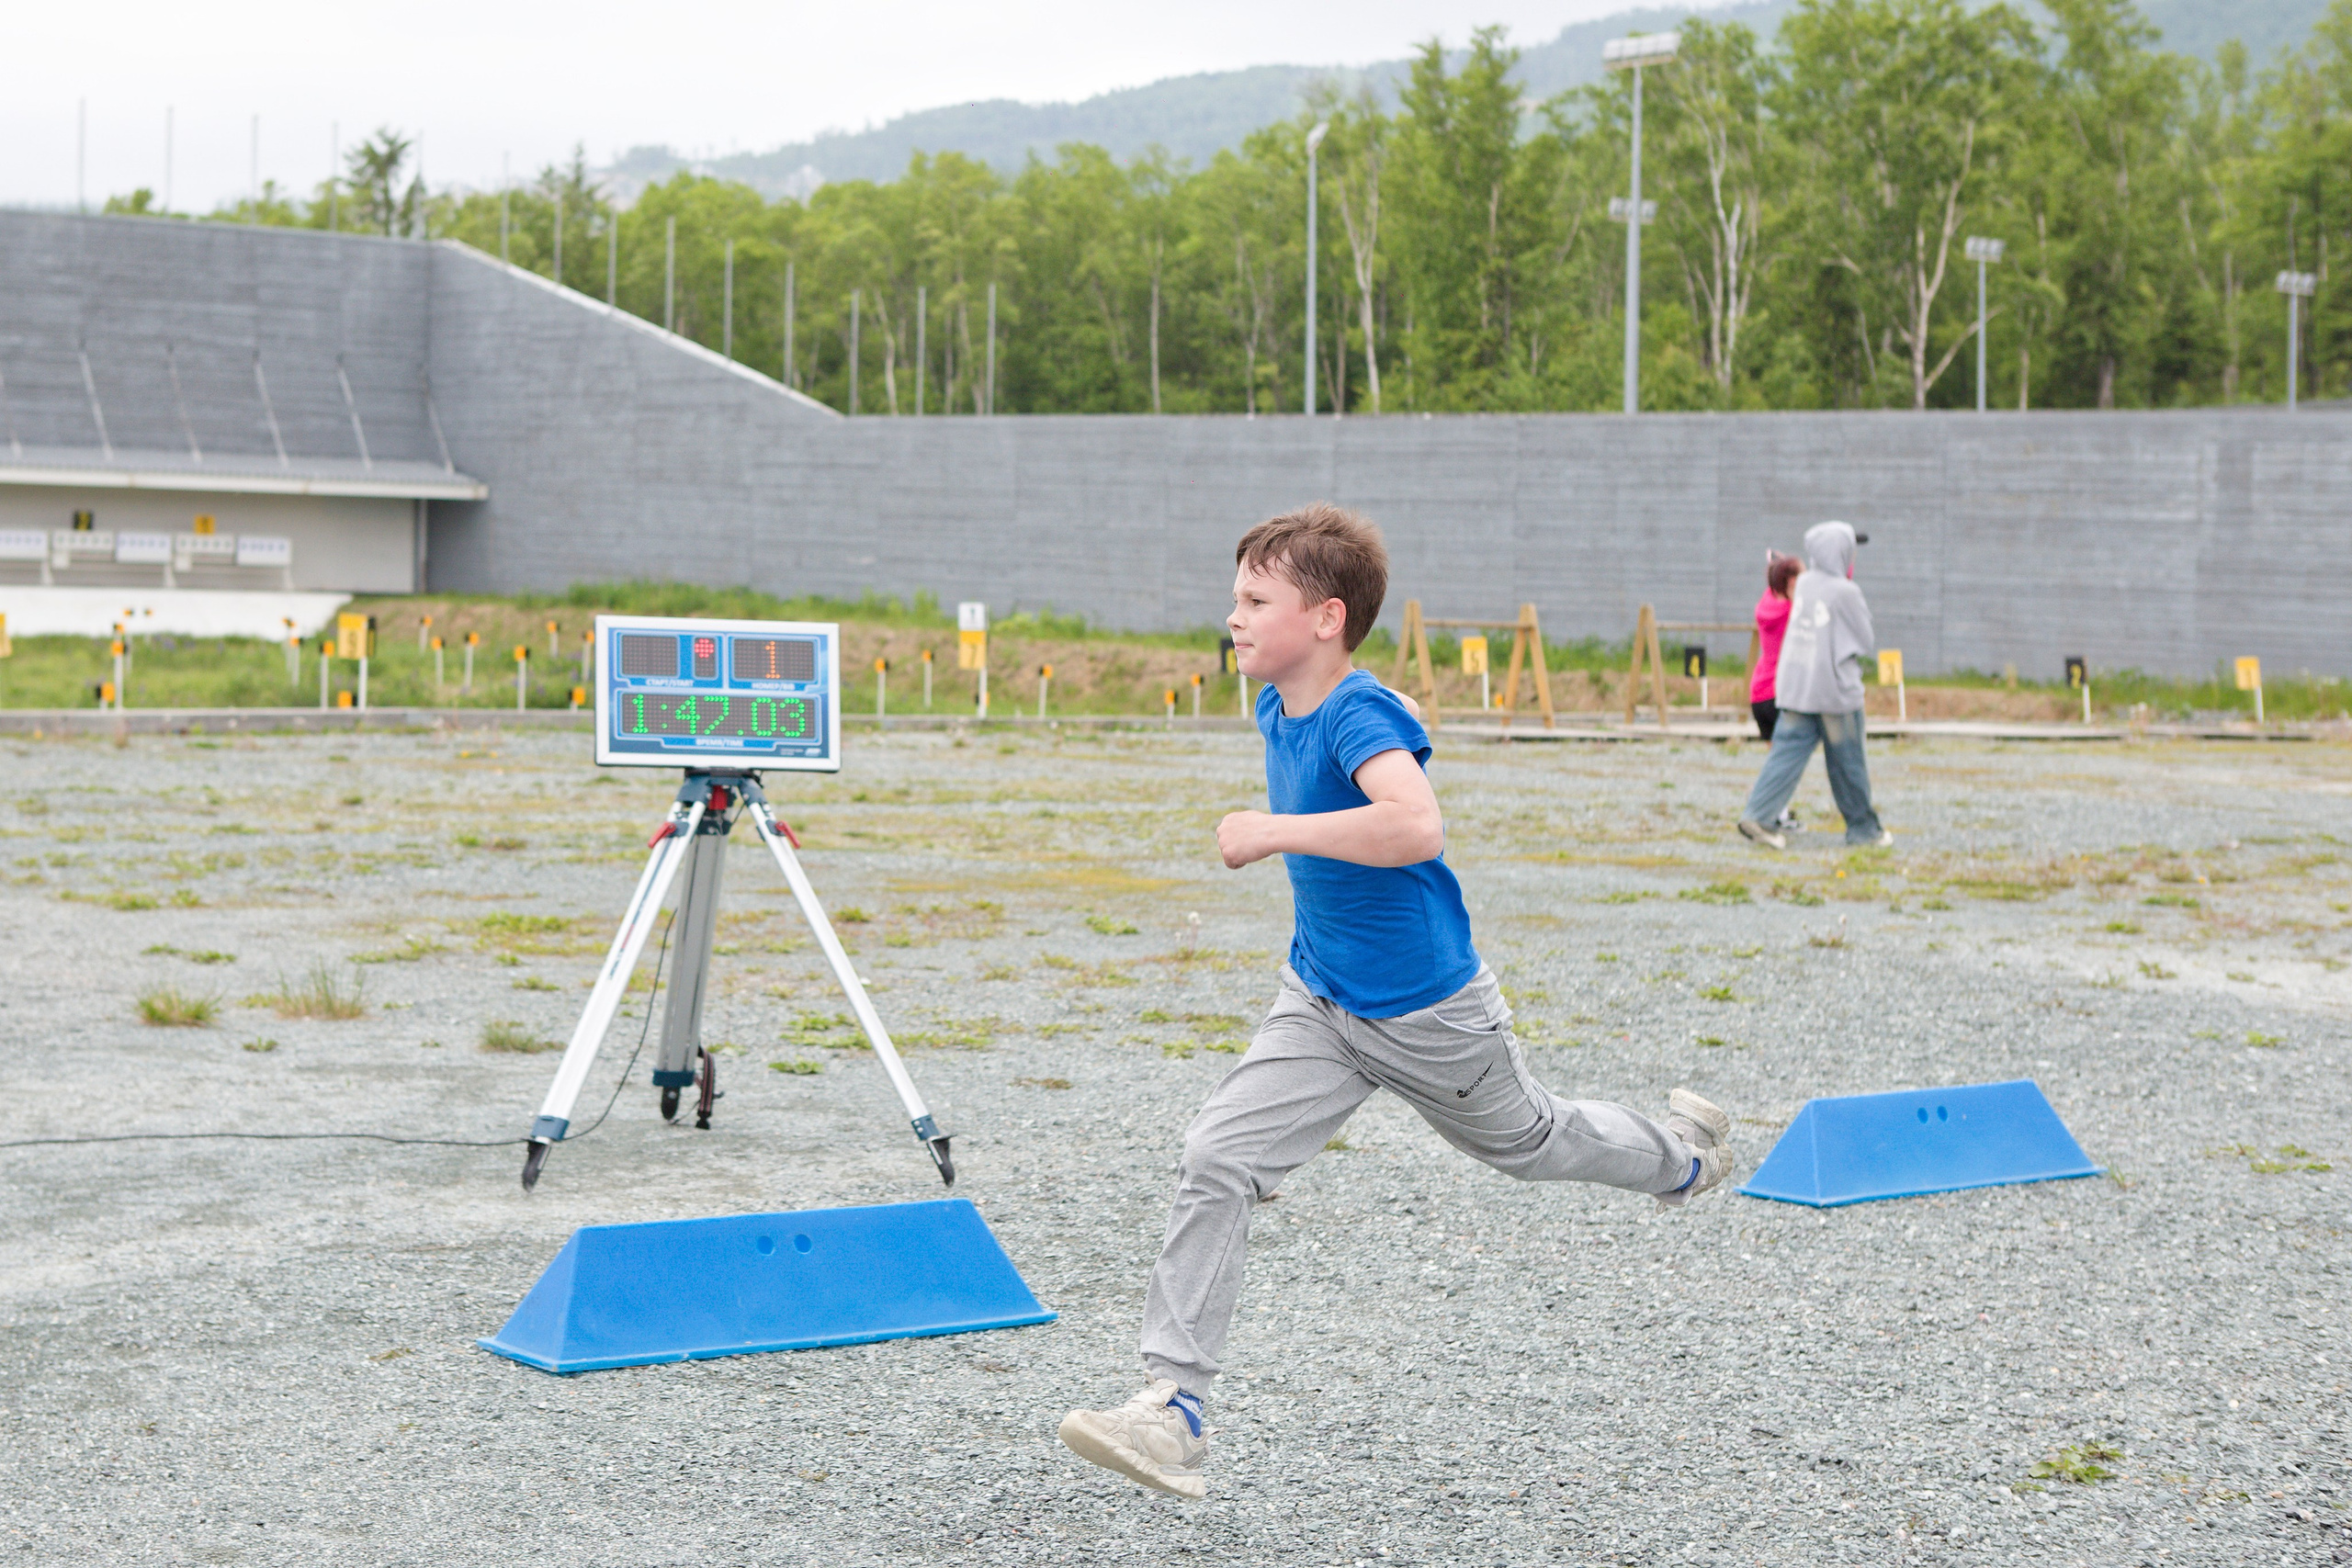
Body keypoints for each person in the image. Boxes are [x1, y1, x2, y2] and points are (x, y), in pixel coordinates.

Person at [1057, 502, 1739, 1502]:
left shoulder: (1360, 712)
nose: (1233, 617)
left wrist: (1273, 832)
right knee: (1217, 1156)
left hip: (1429, 1016)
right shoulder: (1273, 705)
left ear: (1326, 618)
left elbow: (1414, 828)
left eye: (1256, 599)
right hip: (1321, 998)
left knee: (1535, 1142)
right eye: (1234, 597)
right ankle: (1174, 1411)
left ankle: (1682, 1159)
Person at [1737, 521, 1892, 850]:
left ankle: (1758, 815)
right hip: (1834, 692)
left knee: (1785, 754)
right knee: (1848, 762)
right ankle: (1864, 831)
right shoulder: (1845, 591)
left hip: (1796, 688)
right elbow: (1864, 639)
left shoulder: (1804, 583)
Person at [1750, 551, 1804, 832]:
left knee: (1776, 759)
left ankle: (1776, 812)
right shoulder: (1790, 612)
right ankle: (1774, 815)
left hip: (1759, 693)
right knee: (1784, 761)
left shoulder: (1767, 603)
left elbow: (1774, 586)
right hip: (1779, 693)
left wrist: (1775, 565)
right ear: (1790, 583)